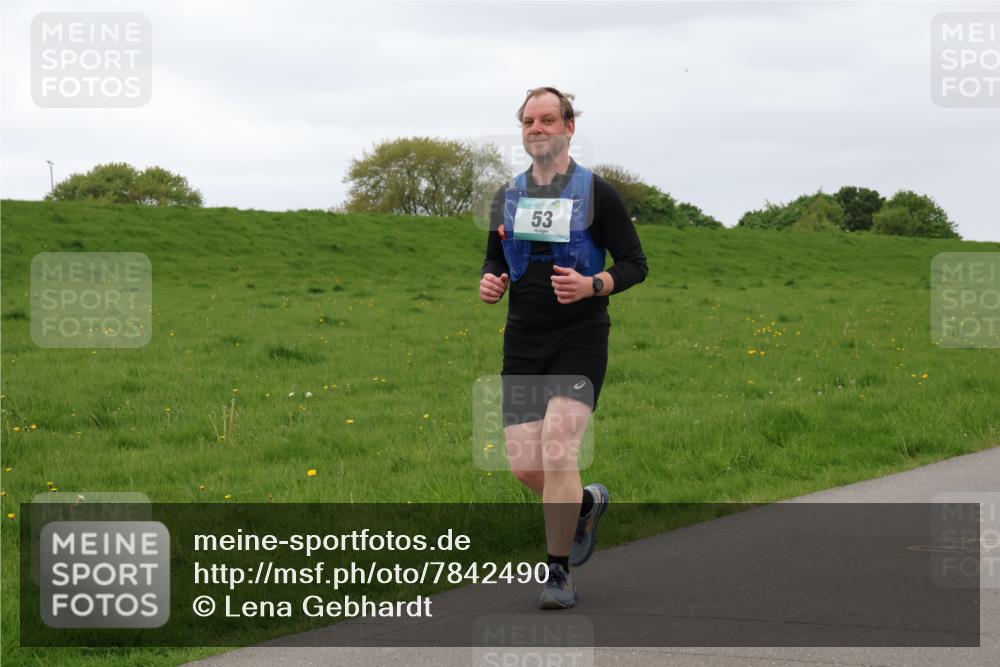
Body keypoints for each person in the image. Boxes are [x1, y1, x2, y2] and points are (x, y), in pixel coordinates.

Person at [479, 86, 649, 608]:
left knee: (558, 445)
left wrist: (593, 284)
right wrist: (492, 280)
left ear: (570, 127)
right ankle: (583, 506)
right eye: (529, 121)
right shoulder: (506, 195)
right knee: (527, 467)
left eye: (548, 119)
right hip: (524, 343)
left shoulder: (599, 193)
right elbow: (495, 259)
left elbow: (635, 264)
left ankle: (557, 574)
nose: (537, 129)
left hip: (580, 336)